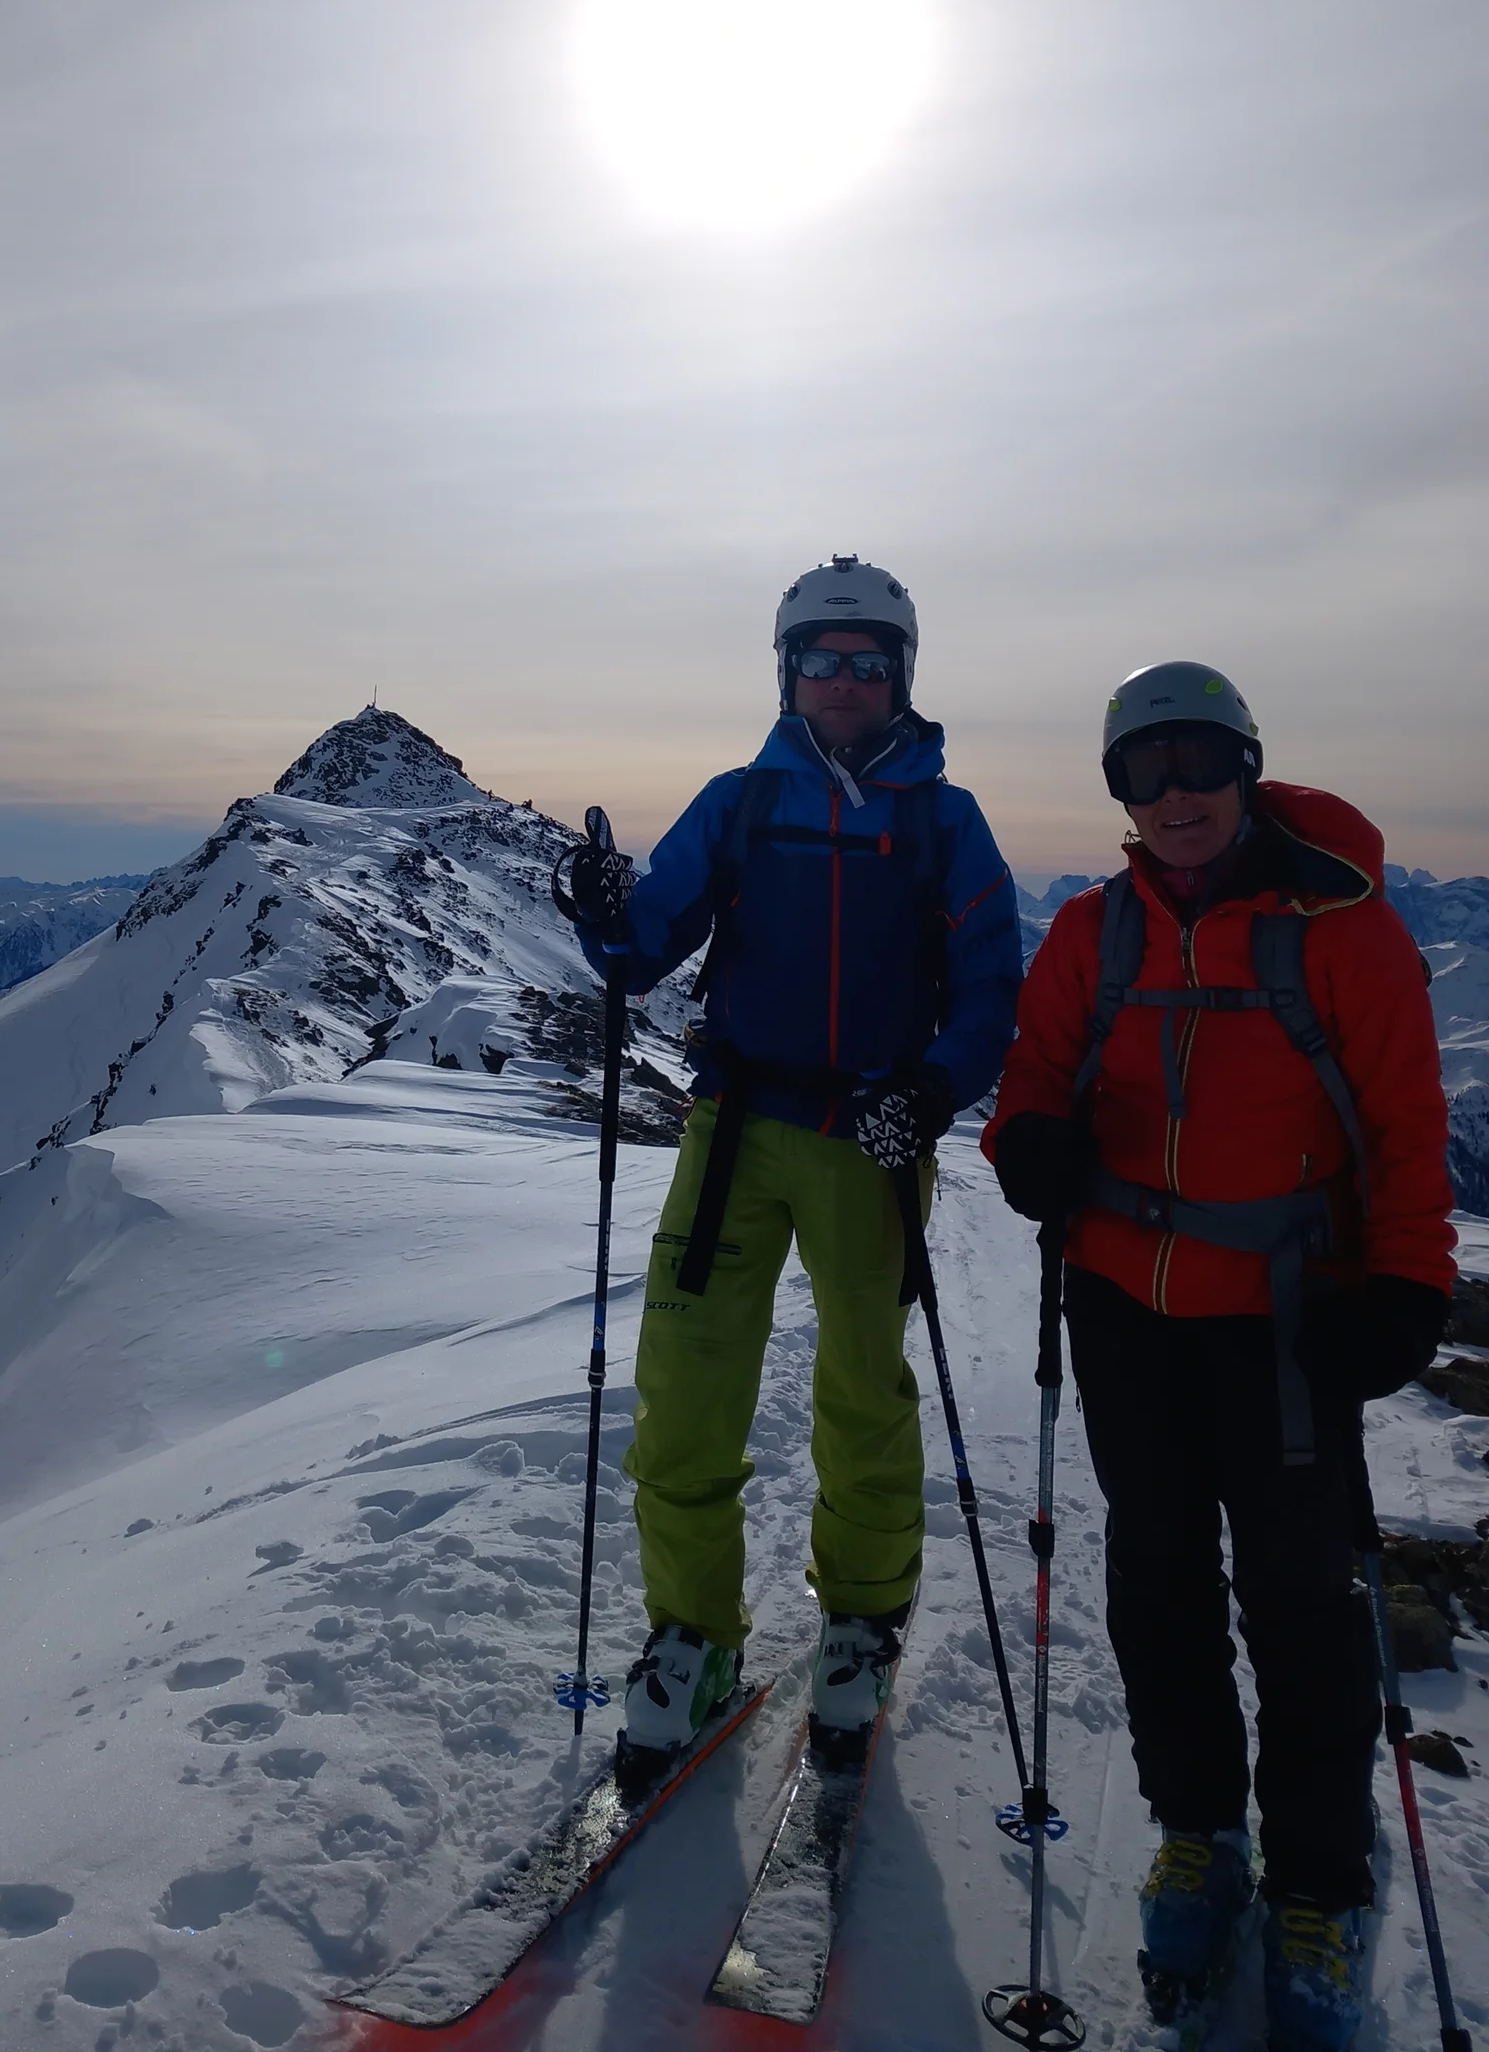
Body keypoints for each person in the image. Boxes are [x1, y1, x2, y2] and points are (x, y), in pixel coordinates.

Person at [983, 661, 1455, 2052]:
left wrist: (1411, 1280)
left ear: (1248, 767)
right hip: (1127, 1310)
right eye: (1145, 770)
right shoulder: (1094, 930)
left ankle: (1319, 1882)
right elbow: (1035, 1068)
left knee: (1304, 1606)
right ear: (1120, 793)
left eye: (1199, 762)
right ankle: (1200, 1835)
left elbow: (1406, 1122)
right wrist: (1029, 1144)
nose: (1176, 794)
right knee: (1158, 1583)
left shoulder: (1343, 932)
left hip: (1291, 1322)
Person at [562, 556, 1021, 1772]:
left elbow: (989, 989)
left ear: (901, 676)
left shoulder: (944, 821)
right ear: (789, 674)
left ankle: (863, 1620)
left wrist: (928, 1091)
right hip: (735, 1128)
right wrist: (602, 911)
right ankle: (691, 1635)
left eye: (869, 662)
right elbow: (645, 948)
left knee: (864, 1388)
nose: (846, 680)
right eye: (823, 659)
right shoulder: (741, 802)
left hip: (869, 1135)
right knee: (687, 1379)